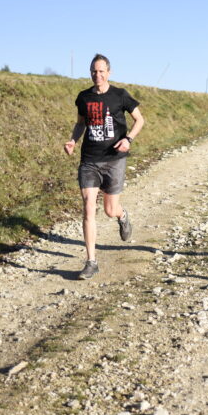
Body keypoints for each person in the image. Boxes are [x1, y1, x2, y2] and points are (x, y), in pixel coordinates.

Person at [63, 53, 144, 279]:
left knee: (110, 210)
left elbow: (140, 120)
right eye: (93, 71)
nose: (97, 75)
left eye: (101, 71)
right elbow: (80, 124)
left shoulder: (120, 95)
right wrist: (73, 140)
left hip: (114, 159)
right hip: (89, 159)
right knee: (89, 206)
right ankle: (91, 261)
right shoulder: (83, 97)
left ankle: (122, 216)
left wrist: (128, 139)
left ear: (109, 72)